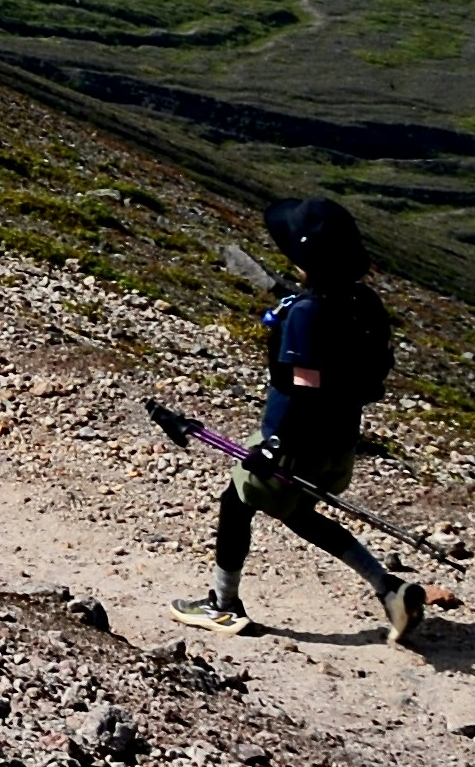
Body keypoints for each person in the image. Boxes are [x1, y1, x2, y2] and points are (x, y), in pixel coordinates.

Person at [183, 196, 429, 644]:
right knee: (298, 513)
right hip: (339, 440)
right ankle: (391, 589)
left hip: (295, 440)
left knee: (235, 503)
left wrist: (275, 446)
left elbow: (303, 387)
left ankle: (222, 603)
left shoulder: (307, 314)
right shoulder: (362, 301)